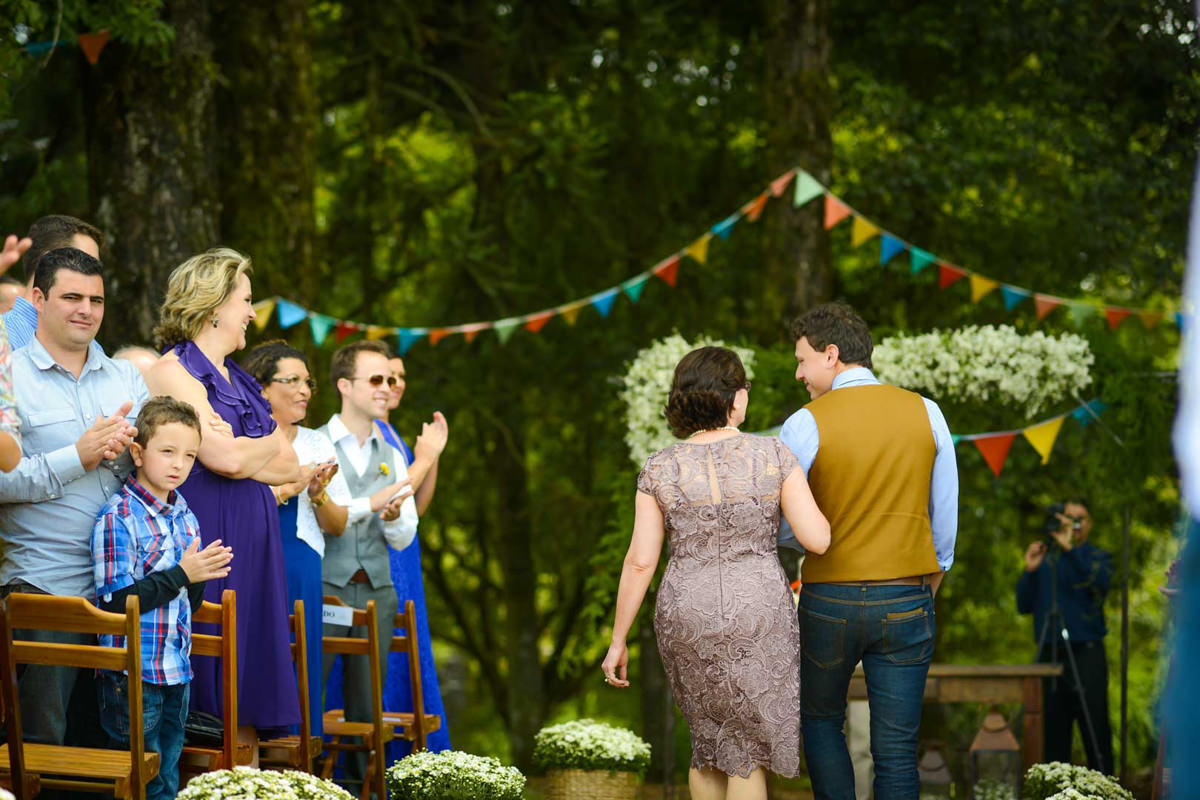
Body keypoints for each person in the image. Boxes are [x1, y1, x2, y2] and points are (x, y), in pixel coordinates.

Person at [602, 346, 831, 800]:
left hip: (687, 611)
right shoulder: (774, 456)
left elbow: (640, 561)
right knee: (747, 750)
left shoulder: (660, 467)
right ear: (736, 398)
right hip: (759, 611)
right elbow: (817, 539)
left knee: (708, 745)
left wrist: (617, 639)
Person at [778, 302, 958, 800]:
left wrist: (806, 543)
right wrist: (927, 582)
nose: (799, 374)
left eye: (802, 360)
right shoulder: (927, 412)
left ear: (830, 354)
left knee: (819, 724)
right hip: (906, 594)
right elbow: (944, 519)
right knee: (898, 749)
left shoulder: (803, 423)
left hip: (828, 599)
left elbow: (784, 522)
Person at [145, 247, 302, 761]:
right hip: (211, 532)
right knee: (213, 668)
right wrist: (252, 449)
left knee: (251, 676)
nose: (253, 312)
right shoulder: (174, 371)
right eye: (247, 300)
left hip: (257, 541)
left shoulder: (241, 380)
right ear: (215, 305)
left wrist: (243, 447)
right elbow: (225, 460)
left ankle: (245, 784)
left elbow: (288, 462)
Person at [0, 247, 145, 747]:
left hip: (125, 589)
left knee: (112, 746)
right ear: (37, 298)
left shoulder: (127, 378)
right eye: (72, 297)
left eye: (96, 300)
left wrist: (132, 455)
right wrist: (77, 456)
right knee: (45, 746)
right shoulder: (8, 378)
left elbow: (156, 473)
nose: (87, 309)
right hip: (46, 589)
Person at [92, 397, 234, 800]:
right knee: (136, 776)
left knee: (168, 775)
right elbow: (116, 603)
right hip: (132, 674)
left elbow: (186, 602)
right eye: (168, 451)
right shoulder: (118, 517)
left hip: (176, 669)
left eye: (189, 456)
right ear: (137, 453)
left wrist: (199, 576)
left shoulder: (185, 514)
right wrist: (182, 574)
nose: (179, 464)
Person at [319, 339, 438, 786]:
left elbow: (405, 532)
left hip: (378, 588)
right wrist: (382, 499)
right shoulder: (318, 443)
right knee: (310, 689)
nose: (388, 387)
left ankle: (359, 789)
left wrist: (391, 518)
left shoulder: (391, 453)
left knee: (368, 707)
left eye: (391, 379)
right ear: (345, 386)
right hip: (327, 584)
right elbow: (332, 516)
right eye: (376, 379)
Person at [244, 340, 348, 738]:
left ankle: (297, 755)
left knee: (301, 662)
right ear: (262, 388)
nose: (305, 390)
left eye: (309, 382)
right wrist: (290, 486)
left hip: (302, 561)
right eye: (293, 380)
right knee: (259, 657)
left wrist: (318, 492)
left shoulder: (317, 443)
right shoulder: (243, 440)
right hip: (255, 559)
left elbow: (336, 525)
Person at [359, 352, 452, 757]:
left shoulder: (392, 434)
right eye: (384, 377)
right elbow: (384, 500)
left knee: (410, 648)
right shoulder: (367, 435)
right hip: (381, 560)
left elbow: (415, 509)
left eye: (400, 377)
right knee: (387, 651)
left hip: (405, 556)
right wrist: (426, 457)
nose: (394, 384)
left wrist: (431, 461)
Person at [1017, 499, 1114, 773]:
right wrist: (1029, 570)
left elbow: (1100, 585)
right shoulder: (1047, 559)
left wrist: (1071, 548)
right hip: (1050, 653)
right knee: (1052, 733)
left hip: (1087, 654)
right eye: (1067, 518)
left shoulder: (1096, 558)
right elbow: (1023, 605)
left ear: (1089, 523)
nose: (1073, 523)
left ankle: (1105, 788)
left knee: (1095, 728)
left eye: (1079, 518)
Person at [3, 215, 104, 350]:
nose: (92, 273)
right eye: (83, 262)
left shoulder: (94, 348)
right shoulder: (5, 337)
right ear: (48, 261)